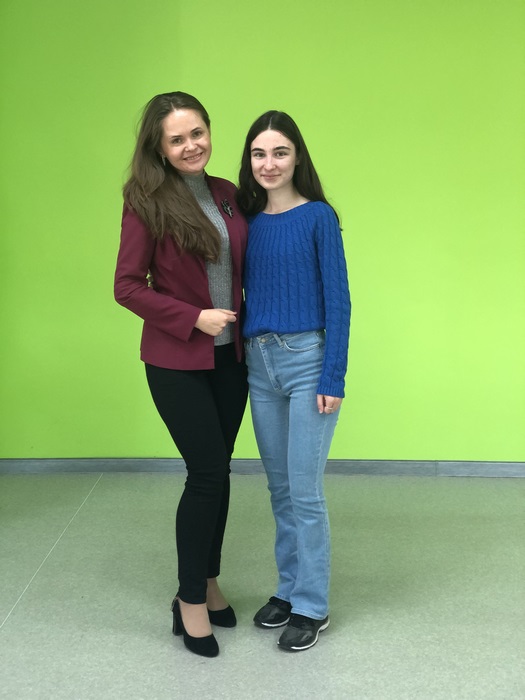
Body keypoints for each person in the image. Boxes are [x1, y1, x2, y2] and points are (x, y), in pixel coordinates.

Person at [114, 92, 248, 658]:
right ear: (160, 148)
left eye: (198, 133)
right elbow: (126, 286)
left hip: (230, 359)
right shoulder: (145, 201)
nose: (192, 145)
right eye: (177, 139)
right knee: (207, 473)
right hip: (176, 361)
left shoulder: (229, 194)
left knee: (221, 474)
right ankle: (189, 599)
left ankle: (210, 581)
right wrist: (194, 317)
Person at [236, 111, 351, 652]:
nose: (269, 163)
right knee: (279, 488)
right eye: (259, 153)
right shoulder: (248, 222)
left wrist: (334, 375)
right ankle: (286, 589)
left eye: (279, 152)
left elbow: (339, 300)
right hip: (260, 365)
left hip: (308, 362)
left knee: (305, 491)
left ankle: (311, 605)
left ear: (297, 156)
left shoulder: (319, 217)